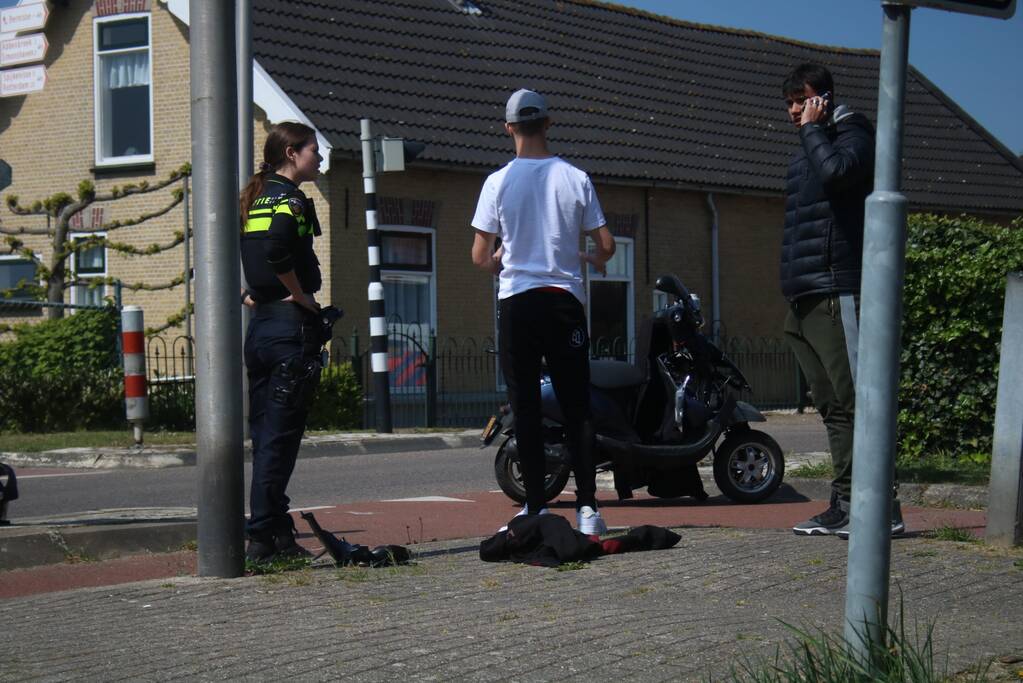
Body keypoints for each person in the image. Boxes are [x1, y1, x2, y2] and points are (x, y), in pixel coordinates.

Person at [471, 89, 616, 535]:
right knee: (577, 408)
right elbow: (606, 246)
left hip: (517, 302)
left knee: (526, 407)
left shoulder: (497, 182)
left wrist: (501, 259)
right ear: (548, 124)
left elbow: (480, 256)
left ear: (509, 128)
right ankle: (588, 509)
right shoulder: (575, 177)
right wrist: (588, 259)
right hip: (564, 301)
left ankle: (534, 506)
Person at [779, 63, 904, 537]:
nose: (794, 111)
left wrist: (815, 130)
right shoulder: (807, 150)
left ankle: (883, 505)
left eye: (801, 100)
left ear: (825, 100)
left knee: (857, 400)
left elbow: (838, 175)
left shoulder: (853, 135)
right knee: (830, 405)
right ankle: (846, 501)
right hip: (804, 292)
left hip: (838, 288)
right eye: (789, 103)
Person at [239, 121, 325, 561]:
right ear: (292, 152)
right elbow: (275, 250)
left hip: (260, 330)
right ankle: (260, 536)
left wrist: (253, 292)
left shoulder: (255, 196)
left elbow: (251, 254)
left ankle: (276, 531)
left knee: (266, 435)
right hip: (289, 327)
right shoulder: (290, 199)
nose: (321, 157)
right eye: (314, 149)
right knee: (280, 439)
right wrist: (296, 294)